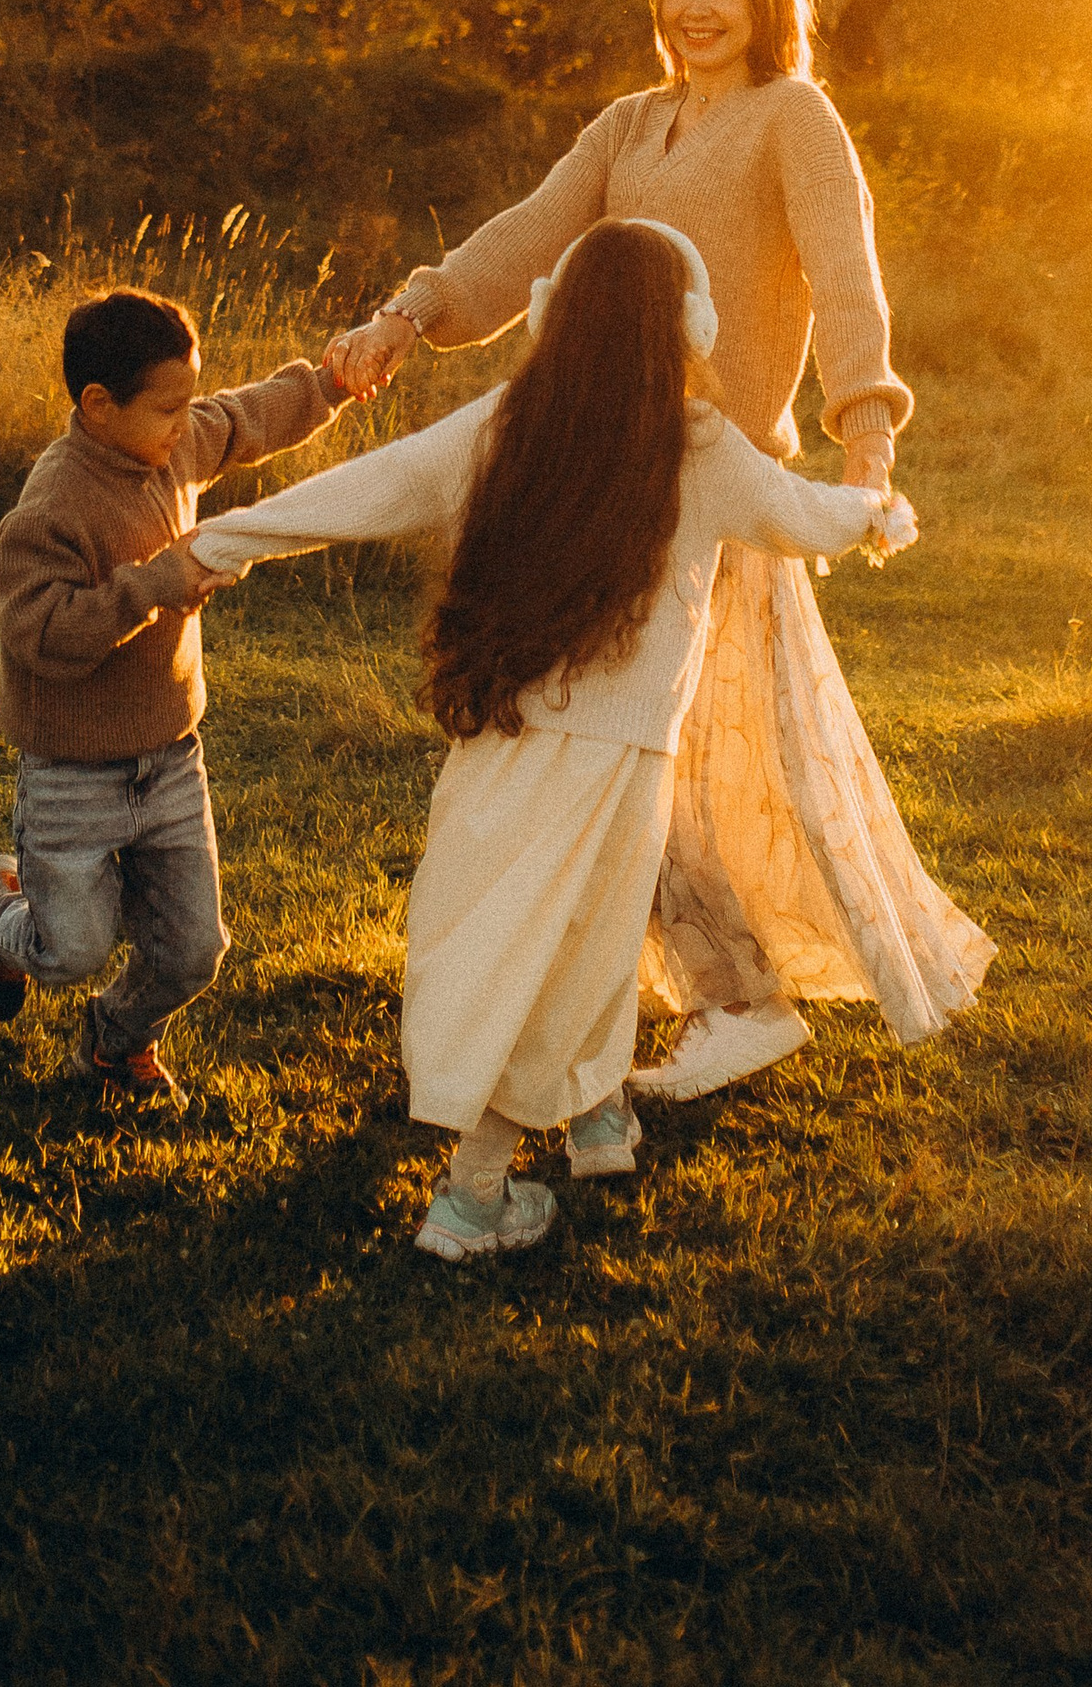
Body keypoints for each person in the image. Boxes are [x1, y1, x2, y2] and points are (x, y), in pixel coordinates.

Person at [327, 0, 992, 1102]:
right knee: (641, 752)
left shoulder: (795, 118)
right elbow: (526, 239)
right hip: (602, 491)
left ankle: (734, 1003)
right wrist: (407, 313)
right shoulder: (632, 125)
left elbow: (847, 283)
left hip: (716, 491)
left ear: (766, 0)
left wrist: (866, 441)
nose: (694, 11)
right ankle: (702, 994)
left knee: (679, 758)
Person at [191, 221, 907, 1258]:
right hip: (619, 762)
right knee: (560, 953)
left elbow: (371, 488)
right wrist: (876, 514)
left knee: (549, 939)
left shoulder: (509, 422)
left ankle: (597, 1115)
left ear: (551, 320)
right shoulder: (698, 442)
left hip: (503, 743)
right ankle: (472, 1200)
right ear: (688, 328)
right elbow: (805, 516)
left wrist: (222, 541)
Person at [0, 284, 347, 1106]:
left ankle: (116, 1042)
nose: (186, 422)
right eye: (169, 407)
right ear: (98, 405)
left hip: (170, 759)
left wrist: (333, 383)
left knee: (193, 950)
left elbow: (249, 418)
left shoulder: (169, 444)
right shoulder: (51, 508)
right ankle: (0, 905)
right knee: (70, 951)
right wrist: (151, 588)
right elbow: (42, 635)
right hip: (71, 775)